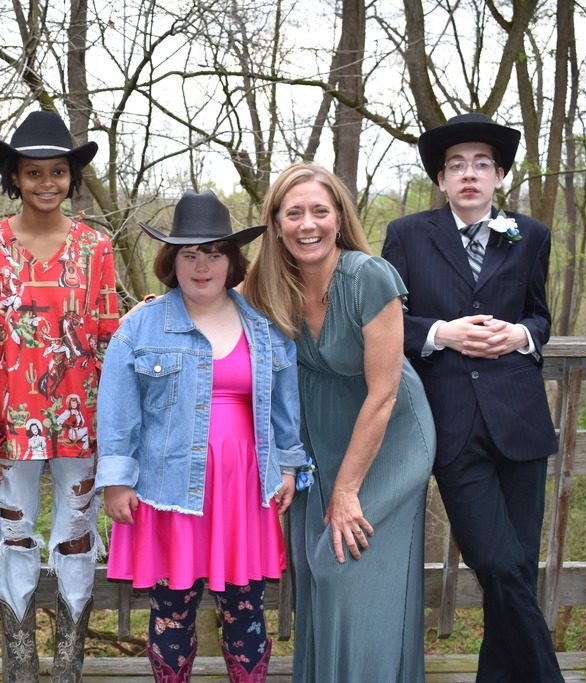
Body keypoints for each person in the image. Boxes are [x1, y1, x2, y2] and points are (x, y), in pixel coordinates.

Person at [96, 190, 307, 683]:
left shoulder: (265, 328)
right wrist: (117, 481)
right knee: (172, 611)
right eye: (190, 254)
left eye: (214, 253)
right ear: (172, 261)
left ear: (232, 261)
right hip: (168, 493)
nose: (202, 266)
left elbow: (284, 408)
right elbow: (118, 413)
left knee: (246, 612)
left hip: (244, 493)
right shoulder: (139, 328)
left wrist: (288, 468)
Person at [381, 112, 563, 682]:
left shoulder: (530, 235)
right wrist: (442, 333)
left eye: (482, 164)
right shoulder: (408, 235)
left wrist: (521, 335)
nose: (469, 174)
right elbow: (388, 324)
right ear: (441, 179)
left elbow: (540, 315)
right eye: (456, 165)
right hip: (451, 424)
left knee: (518, 568)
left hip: (521, 421)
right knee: (497, 562)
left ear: (499, 176)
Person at [242, 163, 435, 681]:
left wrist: (347, 489)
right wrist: (151, 311)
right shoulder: (268, 281)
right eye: (294, 213)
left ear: (339, 218)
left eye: (319, 211)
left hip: (387, 435)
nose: (308, 224)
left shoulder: (369, 277)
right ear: (276, 224)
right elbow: (209, 301)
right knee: (314, 571)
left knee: (342, 567)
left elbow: (384, 392)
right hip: (316, 438)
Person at [0, 110, 119, 683]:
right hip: (10, 427)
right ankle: (21, 669)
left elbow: (108, 341)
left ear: (71, 177)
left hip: (84, 425)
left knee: (77, 539)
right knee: (14, 538)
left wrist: (115, 432)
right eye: (34, 172)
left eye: (58, 171)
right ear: (15, 176)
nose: (47, 182)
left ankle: (69, 669)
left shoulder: (95, 247)